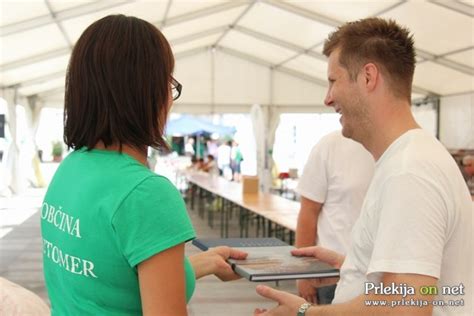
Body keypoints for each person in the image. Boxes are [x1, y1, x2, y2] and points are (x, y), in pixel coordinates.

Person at [255, 17, 472, 316]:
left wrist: (304, 312)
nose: (328, 98)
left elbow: (405, 306)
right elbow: (426, 287)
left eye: (334, 81)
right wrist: (353, 267)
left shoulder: (410, 170)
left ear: (368, 77)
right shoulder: (410, 157)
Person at [40, 15, 247, 315]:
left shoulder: (70, 169)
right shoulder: (146, 194)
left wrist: (206, 262)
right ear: (145, 91)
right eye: (167, 81)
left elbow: (111, 278)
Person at [295, 130, 374, 305]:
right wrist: (304, 275)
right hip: (332, 277)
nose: (329, 101)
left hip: (383, 277)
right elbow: (308, 212)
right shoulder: (329, 146)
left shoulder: (400, 150)